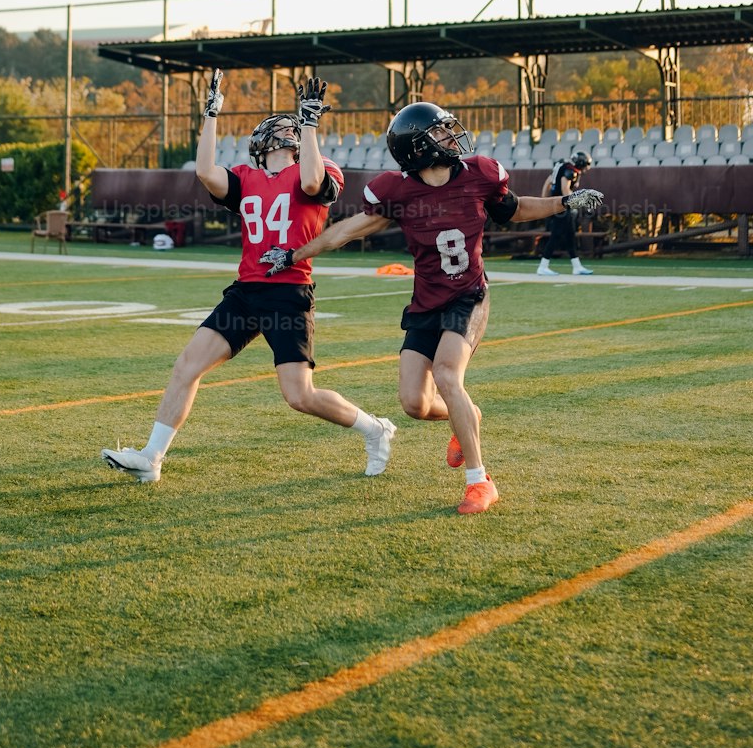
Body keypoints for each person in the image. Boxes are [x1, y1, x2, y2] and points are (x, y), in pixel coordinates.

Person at [259, 103, 603, 515]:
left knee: (446, 375)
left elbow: (514, 209)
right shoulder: (398, 191)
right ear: (418, 148)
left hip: (469, 296)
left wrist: (564, 203)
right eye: (439, 133)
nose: (450, 136)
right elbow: (343, 233)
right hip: (426, 303)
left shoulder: (479, 174)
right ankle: (467, 415)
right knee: (414, 405)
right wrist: (294, 255)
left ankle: (480, 481)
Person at [101, 70, 396, 484]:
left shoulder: (316, 166)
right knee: (186, 366)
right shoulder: (247, 177)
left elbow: (312, 181)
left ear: (274, 140)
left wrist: (309, 125)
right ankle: (151, 458)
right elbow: (205, 171)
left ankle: (374, 428)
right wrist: (210, 115)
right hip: (245, 291)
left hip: (288, 293)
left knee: (299, 396)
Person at [537, 149, 594, 276]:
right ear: (580, 163)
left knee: (570, 236)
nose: (586, 169)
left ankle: (576, 266)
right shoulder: (570, 171)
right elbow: (565, 189)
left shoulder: (562, 165)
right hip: (562, 206)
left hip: (556, 204)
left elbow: (548, 182)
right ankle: (543, 266)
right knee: (556, 235)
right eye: (585, 165)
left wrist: (543, 200)